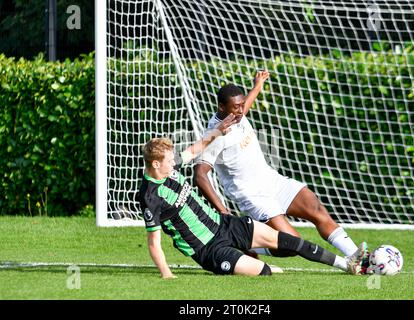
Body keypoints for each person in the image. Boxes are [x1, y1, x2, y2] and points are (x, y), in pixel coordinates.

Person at [138, 126, 368, 278]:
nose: (174, 163)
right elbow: (153, 242)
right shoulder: (150, 196)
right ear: (156, 165)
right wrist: (166, 274)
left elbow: (195, 148)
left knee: (293, 243)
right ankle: (248, 259)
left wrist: (219, 129)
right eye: (169, 160)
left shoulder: (169, 168)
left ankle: (347, 263)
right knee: (265, 273)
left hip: (224, 224)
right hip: (208, 248)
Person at [193, 70, 369, 265]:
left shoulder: (237, 115)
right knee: (290, 245)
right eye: (236, 107)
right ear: (221, 106)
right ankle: (244, 242)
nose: (241, 111)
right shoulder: (215, 134)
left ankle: (357, 257)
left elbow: (246, 104)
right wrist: (223, 210)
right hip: (253, 196)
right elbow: (200, 175)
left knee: (315, 207)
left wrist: (257, 86)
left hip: (272, 181)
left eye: (242, 105)